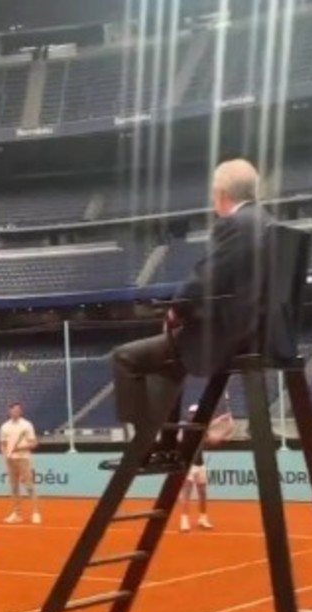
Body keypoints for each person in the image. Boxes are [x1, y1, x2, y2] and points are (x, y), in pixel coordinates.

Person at [110, 159, 278, 470]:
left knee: (125, 357)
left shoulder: (236, 224)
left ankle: (142, 444)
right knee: (168, 363)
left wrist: (178, 308)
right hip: (261, 334)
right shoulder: (269, 223)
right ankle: (166, 445)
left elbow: (206, 279)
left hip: (228, 337)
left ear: (221, 193)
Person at [179, 402, 235, 532]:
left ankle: (203, 518)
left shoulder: (203, 431)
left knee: (202, 493)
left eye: (196, 413)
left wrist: (226, 431)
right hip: (188, 465)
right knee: (187, 492)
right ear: (189, 414)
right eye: (193, 413)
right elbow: (207, 426)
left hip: (200, 464)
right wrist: (221, 419)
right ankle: (184, 520)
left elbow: (212, 441)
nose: (195, 415)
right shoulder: (186, 426)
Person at [0, 402, 40, 524]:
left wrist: (20, 448)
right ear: (9, 411)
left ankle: (36, 512)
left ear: (21, 412)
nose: (15, 412)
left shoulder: (27, 425)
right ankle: (17, 514)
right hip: (10, 460)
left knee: (29, 486)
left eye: (18, 410)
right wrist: (5, 455)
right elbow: (2, 444)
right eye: (13, 410)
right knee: (14, 487)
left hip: (23, 458)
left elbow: (34, 443)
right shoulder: (4, 427)